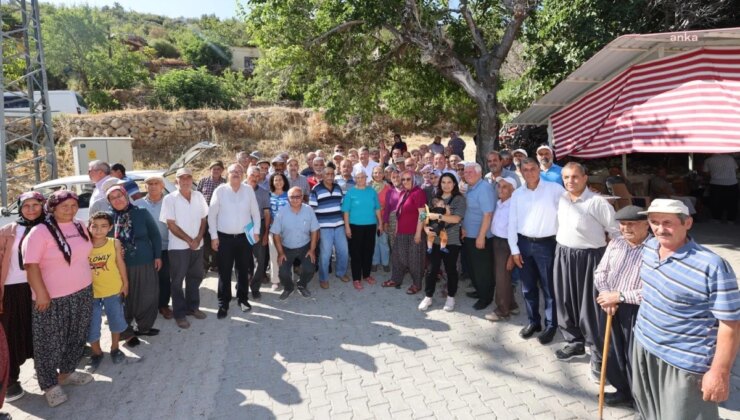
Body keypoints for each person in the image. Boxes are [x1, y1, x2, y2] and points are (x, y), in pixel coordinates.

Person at [632, 199, 740, 419]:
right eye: (654, 222)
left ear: (687, 223)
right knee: (648, 412)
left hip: (684, 363)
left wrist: (719, 373)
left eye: (667, 222)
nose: (660, 229)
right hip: (643, 346)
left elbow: (731, 325)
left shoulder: (712, 266)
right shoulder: (650, 247)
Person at [22, 190, 94, 407]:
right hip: (52, 298)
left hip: (82, 291)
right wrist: (41, 293)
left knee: (76, 336)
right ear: (52, 208)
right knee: (48, 342)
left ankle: (67, 372)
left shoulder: (80, 226)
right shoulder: (39, 232)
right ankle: (49, 385)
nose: (70, 210)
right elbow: (30, 265)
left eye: (73, 205)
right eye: (64, 206)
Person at [553, 163, 619, 369]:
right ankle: (574, 342)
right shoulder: (562, 198)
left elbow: (616, 231)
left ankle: (598, 355)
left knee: (589, 309)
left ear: (585, 178)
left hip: (590, 258)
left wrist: (612, 260)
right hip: (563, 254)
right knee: (565, 303)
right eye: (566, 177)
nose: (570, 181)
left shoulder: (596, 202)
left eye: (574, 177)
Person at [593, 205, 651, 408]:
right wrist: (606, 294)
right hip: (610, 305)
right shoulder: (616, 243)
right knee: (612, 351)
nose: (626, 228)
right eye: (623, 224)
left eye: (632, 224)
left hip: (637, 310)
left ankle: (641, 399)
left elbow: (653, 291)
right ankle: (622, 390)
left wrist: (620, 296)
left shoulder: (655, 249)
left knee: (635, 357)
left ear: (646, 225)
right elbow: (601, 272)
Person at [508, 158, 565, 343]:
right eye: (525, 169)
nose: (530, 172)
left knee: (550, 288)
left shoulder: (554, 190)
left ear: (539, 169)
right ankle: (534, 322)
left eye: (533, 168)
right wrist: (514, 250)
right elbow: (512, 223)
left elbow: (571, 206)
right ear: (521, 172)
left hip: (547, 245)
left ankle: (551, 325)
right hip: (524, 245)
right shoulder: (517, 194)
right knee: (528, 287)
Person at [0, 192, 44, 401]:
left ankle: (45, 370)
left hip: (42, 286)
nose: (32, 209)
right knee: (11, 333)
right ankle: (10, 381)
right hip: (13, 289)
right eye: (27, 205)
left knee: (41, 329)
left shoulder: (49, 228)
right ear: (19, 207)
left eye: (36, 204)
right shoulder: (8, 231)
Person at [106, 185, 162, 340]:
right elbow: (100, 240)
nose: (117, 200)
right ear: (109, 201)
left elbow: (155, 235)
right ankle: (126, 332)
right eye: (113, 197)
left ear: (126, 196)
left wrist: (158, 256)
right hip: (119, 266)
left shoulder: (141, 213)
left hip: (145, 260)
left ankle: (144, 327)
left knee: (148, 295)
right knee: (124, 299)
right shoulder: (107, 218)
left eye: (120, 196)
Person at [209, 164, 261, 318]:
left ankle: (242, 299)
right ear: (228, 174)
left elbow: (256, 214)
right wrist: (213, 237)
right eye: (233, 171)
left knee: (243, 270)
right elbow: (211, 216)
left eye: (239, 172)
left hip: (244, 237)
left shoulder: (248, 190)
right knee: (224, 271)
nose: (236, 174)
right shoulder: (220, 191)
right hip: (224, 238)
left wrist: (256, 231)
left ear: (243, 174)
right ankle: (223, 303)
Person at [160, 168, 209, 330]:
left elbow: (203, 219)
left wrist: (198, 238)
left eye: (188, 178)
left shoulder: (199, 196)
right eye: (182, 178)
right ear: (177, 181)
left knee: (195, 277)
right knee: (178, 281)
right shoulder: (169, 199)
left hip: (197, 245)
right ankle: (179, 314)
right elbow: (171, 224)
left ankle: (192, 307)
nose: (186, 181)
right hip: (179, 248)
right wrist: (189, 240)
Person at [85, 212, 129, 372]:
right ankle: (96, 353)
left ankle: (115, 348)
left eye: (104, 226)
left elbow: (120, 264)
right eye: (94, 226)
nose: (98, 230)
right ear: (88, 227)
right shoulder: (84, 245)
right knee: (92, 323)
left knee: (115, 318)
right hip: (91, 292)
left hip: (113, 289)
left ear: (110, 227)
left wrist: (125, 283)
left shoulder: (114, 243)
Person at [418, 173, 466, 312]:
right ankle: (428, 296)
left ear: (454, 184)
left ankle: (451, 297)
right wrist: (425, 228)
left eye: (449, 182)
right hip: (434, 240)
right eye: (443, 182)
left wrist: (438, 215)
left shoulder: (458, 199)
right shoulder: (435, 199)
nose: (446, 185)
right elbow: (423, 214)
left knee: (451, 270)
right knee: (432, 269)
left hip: (451, 240)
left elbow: (457, 219)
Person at [134, 175, 172, 319]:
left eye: (156, 183)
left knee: (164, 277)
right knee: (147, 279)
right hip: (146, 248)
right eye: (150, 184)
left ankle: (163, 305)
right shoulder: (137, 203)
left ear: (162, 186)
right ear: (145, 187)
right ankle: (148, 306)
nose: (153, 186)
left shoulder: (170, 202)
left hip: (166, 246)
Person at [270, 187, 320, 300]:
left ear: (302, 197)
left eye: (298, 196)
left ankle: (301, 284)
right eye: (292, 197)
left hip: (305, 246)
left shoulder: (309, 210)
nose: (295, 199)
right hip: (287, 247)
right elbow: (276, 234)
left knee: (310, 269)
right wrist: (280, 252)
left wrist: (312, 250)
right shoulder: (281, 212)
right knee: (283, 272)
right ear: (288, 198)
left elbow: (314, 231)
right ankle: (288, 287)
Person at [382, 170, 426, 294]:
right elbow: (399, 214)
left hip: (414, 233)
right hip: (401, 232)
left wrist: (418, 233)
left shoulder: (418, 193)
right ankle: (396, 279)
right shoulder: (404, 193)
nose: (405, 182)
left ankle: (417, 284)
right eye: (403, 179)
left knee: (415, 260)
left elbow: (423, 214)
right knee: (397, 257)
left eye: (408, 179)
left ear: (414, 179)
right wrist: (396, 229)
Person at [484, 177, 520, 321]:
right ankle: (511, 304)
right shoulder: (500, 203)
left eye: (505, 187)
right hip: (497, 241)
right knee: (503, 276)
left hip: (507, 244)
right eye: (499, 186)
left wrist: (512, 254)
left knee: (501, 278)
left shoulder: (514, 206)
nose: (500, 189)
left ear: (513, 190)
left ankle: (502, 309)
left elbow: (516, 232)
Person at [462, 162, 496, 310]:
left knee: (483, 269)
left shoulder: (484, 189)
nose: (467, 174)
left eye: (471, 172)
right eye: (465, 172)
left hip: (480, 236)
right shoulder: (471, 188)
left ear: (480, 173)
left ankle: (486, 298)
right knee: (474, 267)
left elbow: (488, 214)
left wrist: (481, 236)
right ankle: (479, 291)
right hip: (470, 235)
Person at [342, 169, 382, 290]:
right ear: (355, 179)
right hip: (355, 226)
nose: (360, 179)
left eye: (362, 177)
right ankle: (356, 278)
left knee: (368, 251)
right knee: (356, 253)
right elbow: (346, 211)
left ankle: (366, 275)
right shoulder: (350, 193)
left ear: (366, 178)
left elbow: (377, 208)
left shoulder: (372, 192)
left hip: (370, 225)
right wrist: (347, 227)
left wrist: (380, 223)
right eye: (357, 177)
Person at [309, 166, 350, 288]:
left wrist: (345, 224)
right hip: (324, 227)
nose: (330, 176)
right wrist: (316, 230)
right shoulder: (316, 189)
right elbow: (312, 211)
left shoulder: (338, 188)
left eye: (332, 174)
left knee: (343, 251)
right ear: (322, 175)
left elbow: (343, 207)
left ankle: (341, 272)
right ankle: (323, 278)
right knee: (325, 254)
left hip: (339, 226)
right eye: (327, 174)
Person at [245, 166, 271, 300]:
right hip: (241, 226)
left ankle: (255, 286)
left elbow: (267, 214)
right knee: (241, 259)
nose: (254, 178)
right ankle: (242, 285)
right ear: (246, 175)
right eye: (252, 175)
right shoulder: (238, 189)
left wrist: (266, 233)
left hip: (258, 226)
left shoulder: (264, 192)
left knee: (260, 260)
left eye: (257, 176)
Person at [197, 161, 226, 273]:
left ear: (222, 170)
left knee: (216, 239)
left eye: (218, 169)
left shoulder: (225, 183)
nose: (216, 171)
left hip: (219, 216)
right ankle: (204, 266)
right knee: (204, 241)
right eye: (214, 168)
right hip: (204, 215)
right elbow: (197, 197)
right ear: (210, 170)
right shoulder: (203, 181)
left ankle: (215, 264)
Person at [268, 173, 290, 292]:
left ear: (284, 181)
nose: (278, 182)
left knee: (288, 255)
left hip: (288, 230)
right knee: (274, 256)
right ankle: (275, 280)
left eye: (280, 180)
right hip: (273, 230)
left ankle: (288, 279)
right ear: (272, 182)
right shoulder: (269, 196)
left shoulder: (289, 195)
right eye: (275, 180)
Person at [703, 153, 738, 223]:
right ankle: (730, 219)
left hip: (716, 183)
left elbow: (706, 173)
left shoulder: (708, 160)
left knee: (716, 202)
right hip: (732, 183)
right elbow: (736, 170)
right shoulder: (730, 158)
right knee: (732, 202)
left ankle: (716, 218)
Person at [370, 165, 392, 272]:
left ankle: (385, 262)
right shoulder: (368, 187)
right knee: (373, 241)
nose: (377, 175)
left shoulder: (388, 187)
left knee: (383, 241)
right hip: (371, 218)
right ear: (372, 175)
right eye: (375, 173)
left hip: (383, 217)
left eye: (379, 172)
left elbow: (391, 203)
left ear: (383, 175)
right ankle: (374, 262)